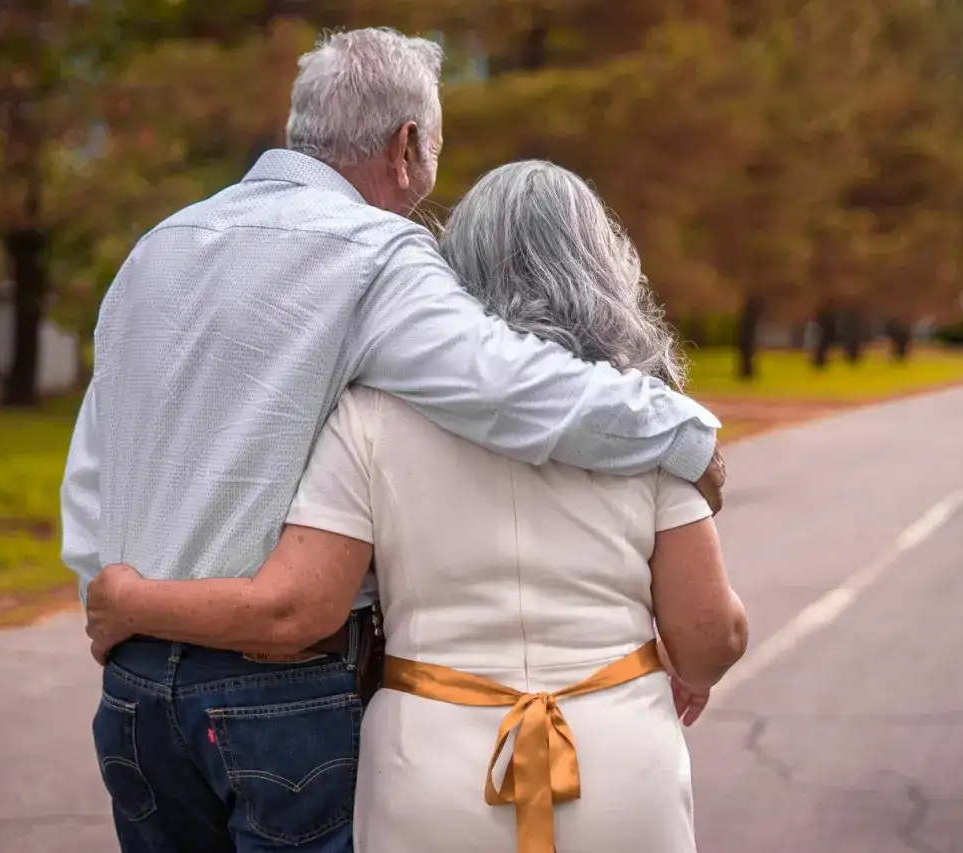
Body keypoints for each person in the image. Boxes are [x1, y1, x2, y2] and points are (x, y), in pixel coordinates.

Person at [61, 28, 726, 853]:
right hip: (277, 694)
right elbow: (509, 385)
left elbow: (95, 463)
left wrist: (114, 600)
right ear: (406, 147)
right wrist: (683, 429)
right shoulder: (379, 254)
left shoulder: (156, 249)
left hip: (131, 690)